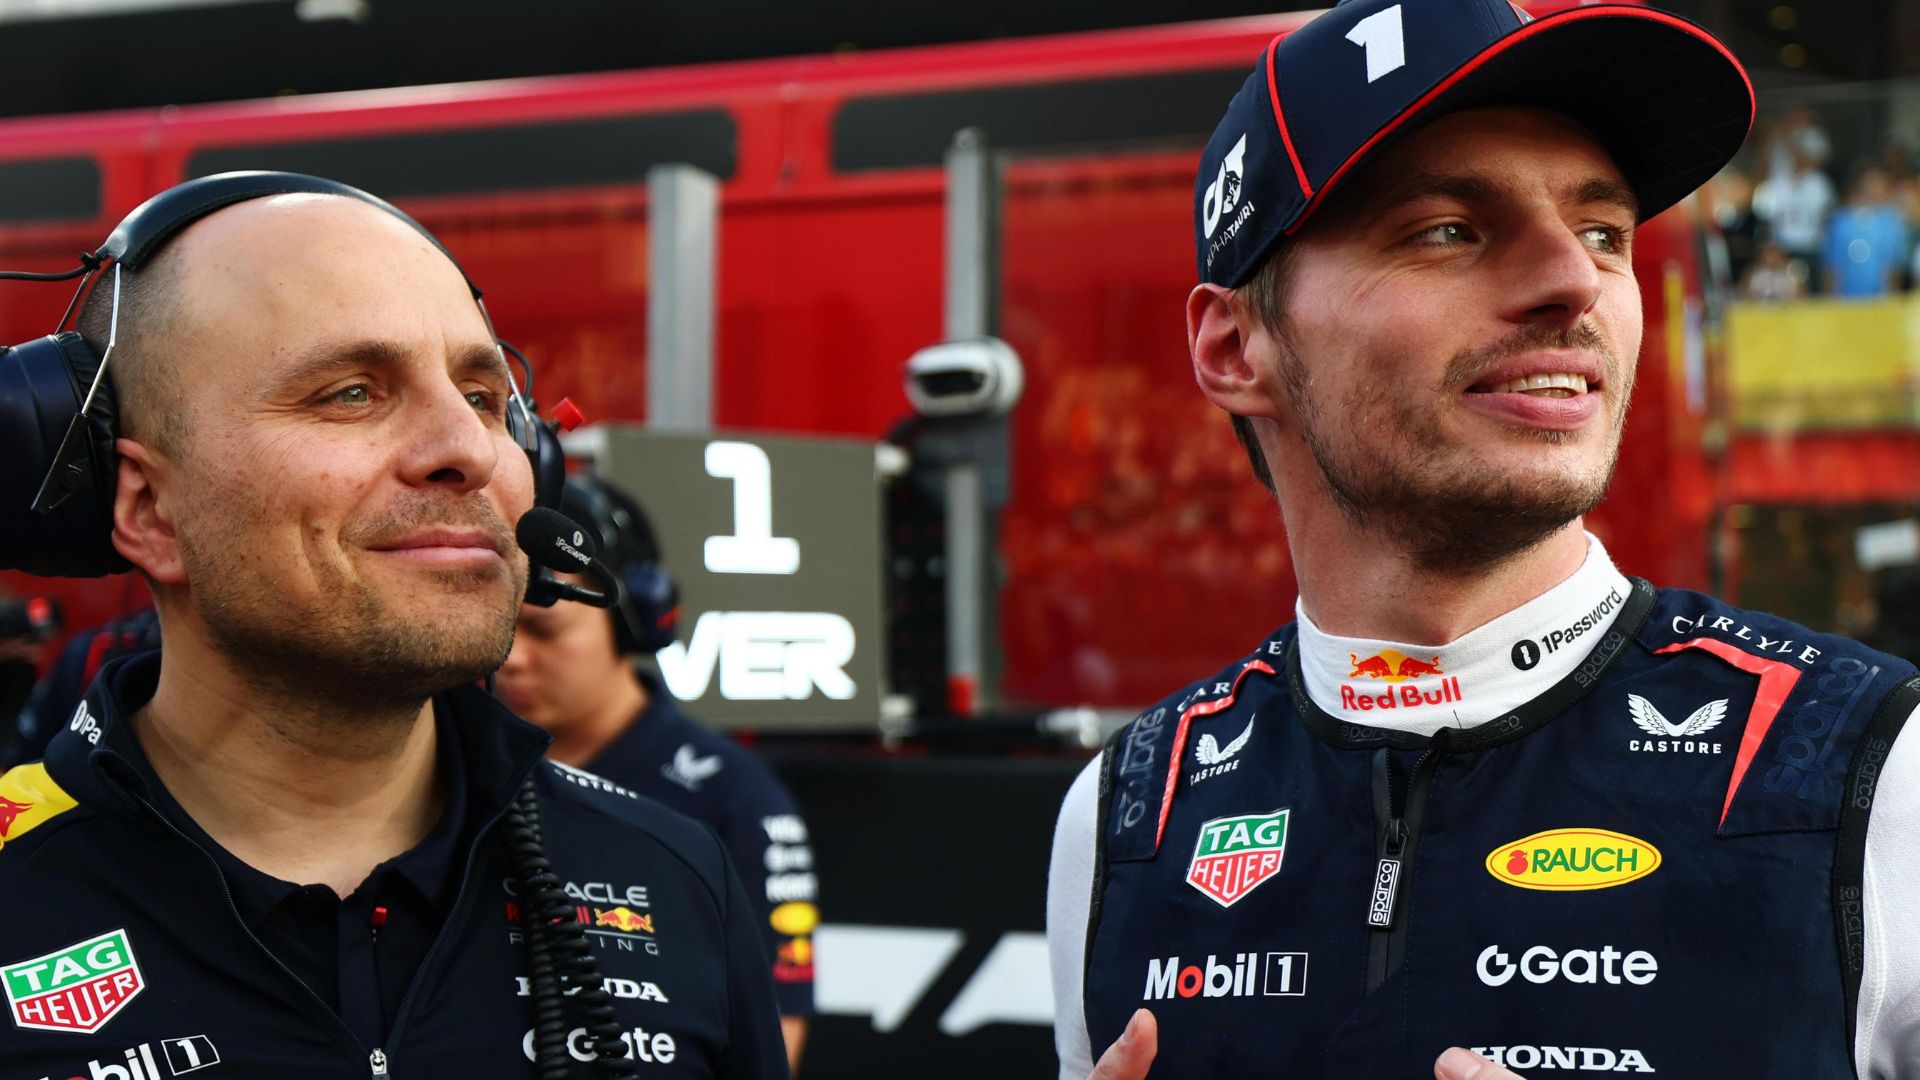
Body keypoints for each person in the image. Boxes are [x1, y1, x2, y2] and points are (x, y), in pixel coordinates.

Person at [1046, 3, 1919, 1079]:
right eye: (1447, 229)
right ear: (1236, 346)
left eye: (1604, 232)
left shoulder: (1876, 768)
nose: (1575, 283)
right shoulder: (1131, 809)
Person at [0, 176, 789, 1078]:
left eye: (487, 399)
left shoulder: (676, 876)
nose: (469, 450)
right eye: (351, 393)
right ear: (145, 505)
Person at [496, 475, 819, 1074]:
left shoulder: (733, 797)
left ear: (635, 622)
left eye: (543, 630)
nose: (511, 658)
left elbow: (773, 1030)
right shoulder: (455, 774)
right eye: (501, 627)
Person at [1753, 147, 1836, 289]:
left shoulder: (1819, 183)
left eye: (1802, 156)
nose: (1798, 161)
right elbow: (1763, 215)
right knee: (1786, 288)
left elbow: (1828, 214)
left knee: (1813, 287)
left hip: (1811, 245)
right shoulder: (1775, 183)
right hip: (1782, 247)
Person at [1824, 164, 1908, 298]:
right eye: (1874, 183)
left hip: (1880, 300)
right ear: (1861, 185)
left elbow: (1893, 266)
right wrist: (1832, 300)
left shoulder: (1889, 222)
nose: (1879, 189)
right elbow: (1833, 267)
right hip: (1846, 300)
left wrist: (1891, 299)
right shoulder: (1840, 222)